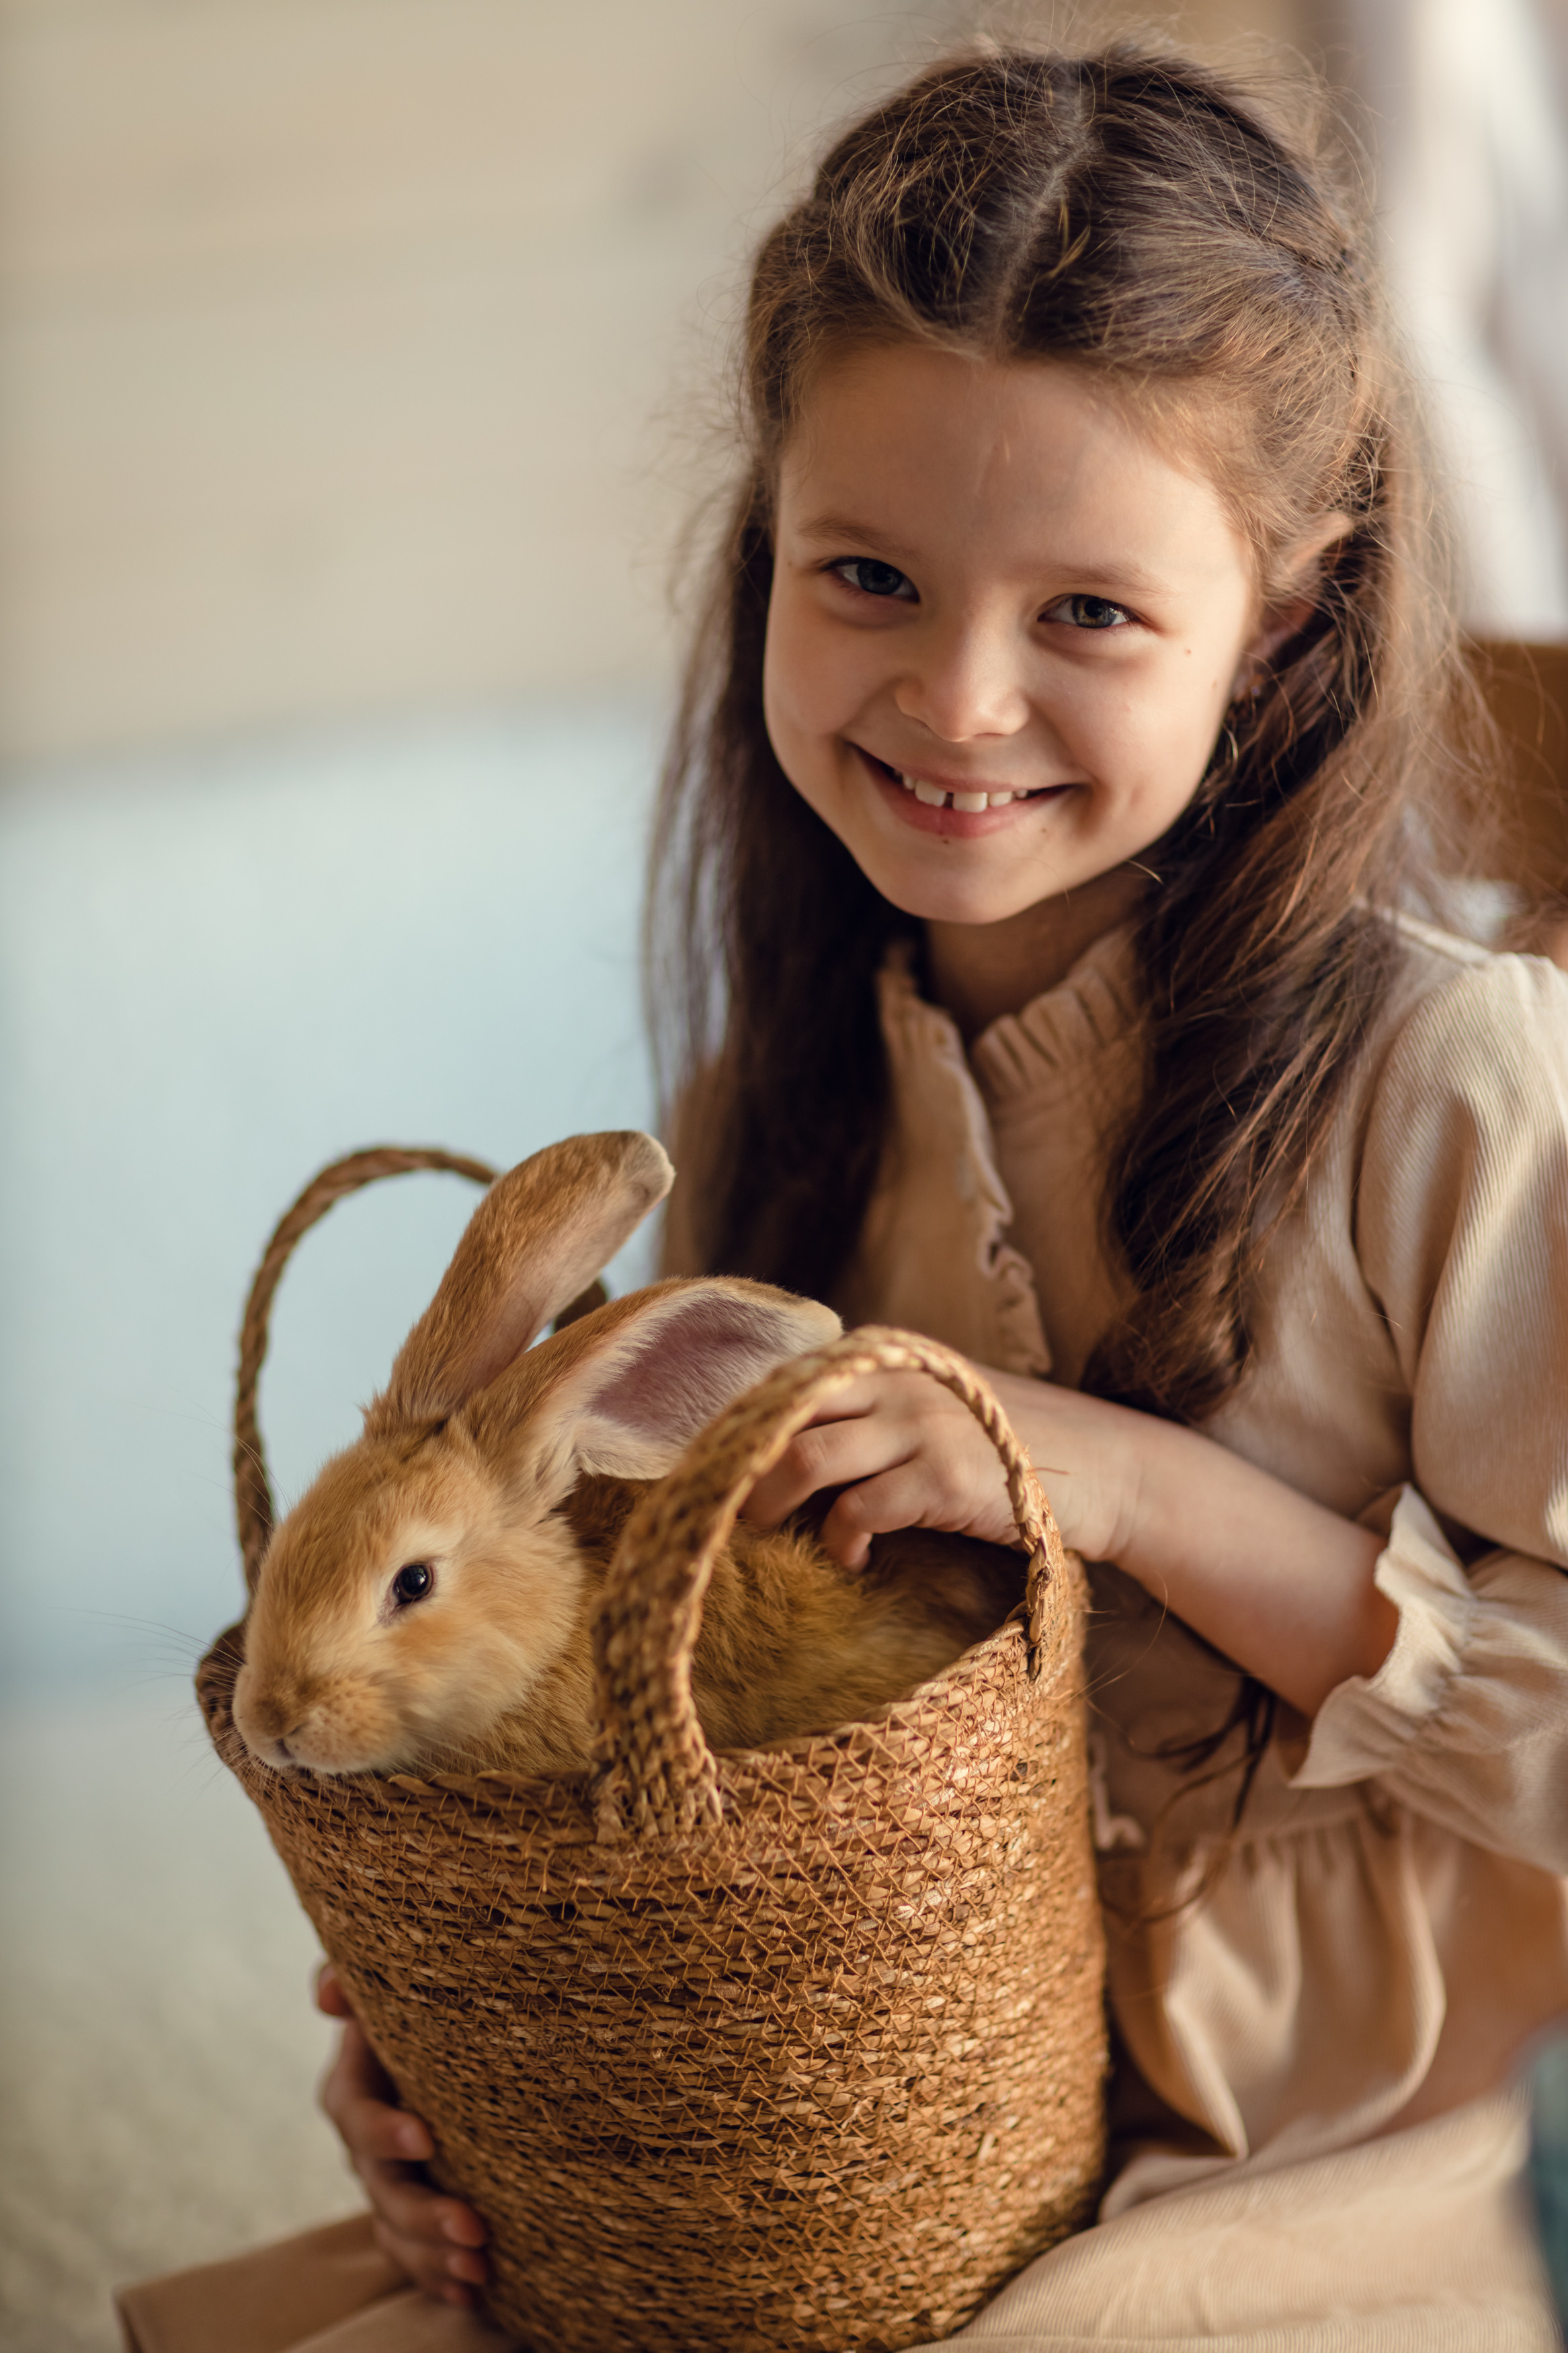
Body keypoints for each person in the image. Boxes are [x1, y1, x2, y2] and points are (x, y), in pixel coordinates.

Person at [119, 36, 1568, 2353]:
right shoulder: (779, 1087)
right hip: (906, 2090)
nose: (957, 701)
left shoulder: (1456, 1086)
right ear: (765, 553)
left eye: (1090, 612)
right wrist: (477, 2039)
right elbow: (654, 1681)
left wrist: (1144, 1492)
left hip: (1388, 2112)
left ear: (1283, 622)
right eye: (868, 576)